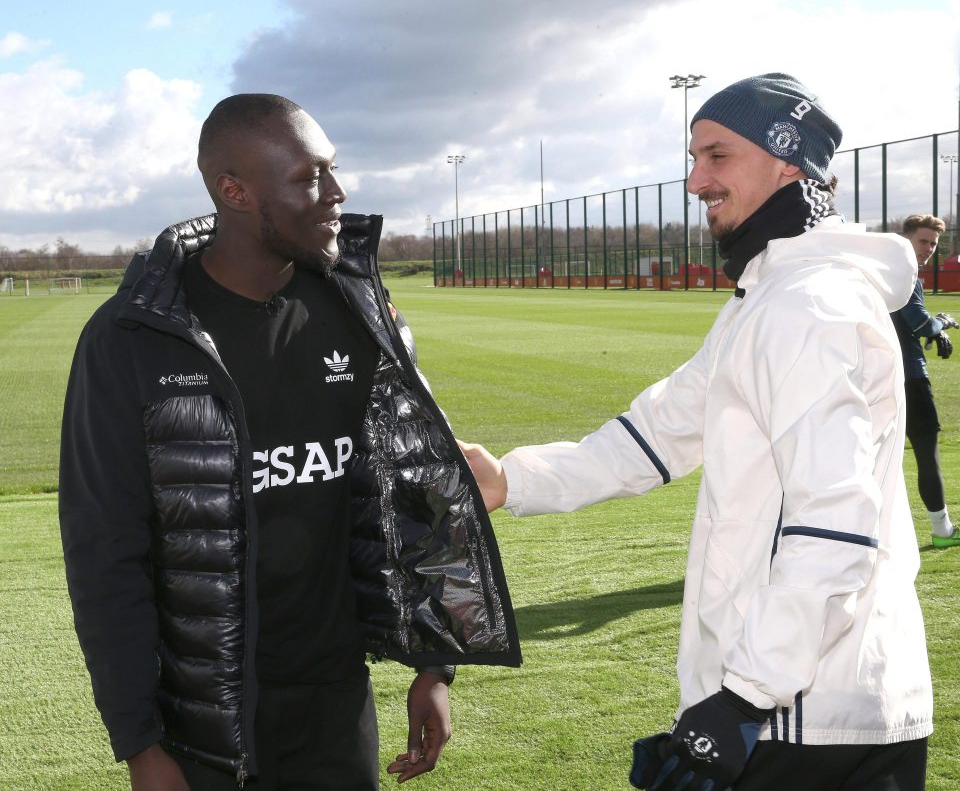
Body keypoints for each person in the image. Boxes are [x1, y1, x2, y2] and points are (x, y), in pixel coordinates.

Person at [461, 73, 933, 790]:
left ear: (788, 162)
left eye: (716, 156)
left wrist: (746, 697)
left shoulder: (810, 305)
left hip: (807, 717)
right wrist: (510, 479)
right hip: (797, 705)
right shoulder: (766, 298)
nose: (693, 181)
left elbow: (836, 528)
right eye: (693, 158)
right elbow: (652, 436)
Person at [59, 93, 521, 791]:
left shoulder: (358, 313)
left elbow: (415, 489)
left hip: (338, 702)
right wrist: (141, 746)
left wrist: (435, 662)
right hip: (204, 728)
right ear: (233, 191)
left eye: (332, 170)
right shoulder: (131, 339)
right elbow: (104, 554)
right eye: (309, 178)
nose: (336, 193)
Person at [891, 214, 960, 548]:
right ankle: (943, 531)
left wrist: (934, 328)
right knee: (926, 452)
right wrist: (941, 324)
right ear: (904, 237)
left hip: (874, 377)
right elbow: (918, 320)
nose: (929, 249)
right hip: (910, 377)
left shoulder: (876, 272)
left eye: (933, 244)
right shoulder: (905, 273)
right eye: (923, 241)